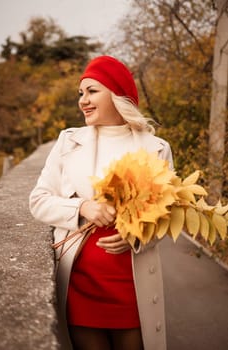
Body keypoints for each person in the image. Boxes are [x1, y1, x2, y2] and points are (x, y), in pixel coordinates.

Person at [29, 55, 173, 350]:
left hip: (132, 286)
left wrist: (137, 237)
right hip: (82, 284)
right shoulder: (68, 142)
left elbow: (168, 215)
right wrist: (82, 207)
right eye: (81, 93)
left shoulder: (157, 148)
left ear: (117, 94)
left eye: (92, 91)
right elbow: (38, 201)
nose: (83, 100)